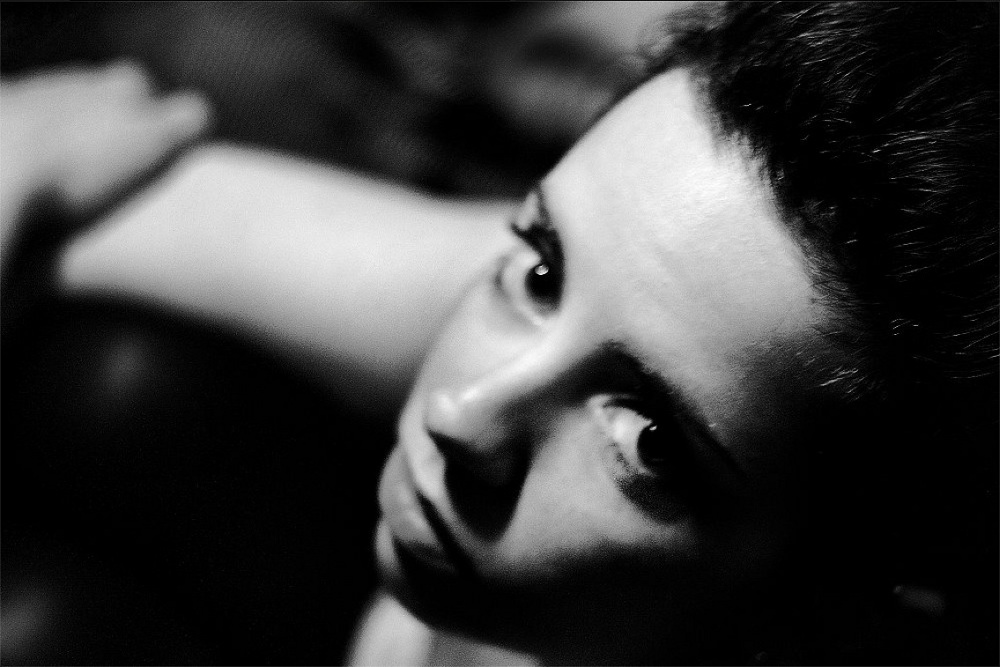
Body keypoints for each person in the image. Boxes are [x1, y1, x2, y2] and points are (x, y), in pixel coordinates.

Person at [3, 2, 996, 665]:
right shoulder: (682, 275)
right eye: (541, 269)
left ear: (848, 603)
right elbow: (53, 166)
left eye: (649, 441)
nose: (463, 411)